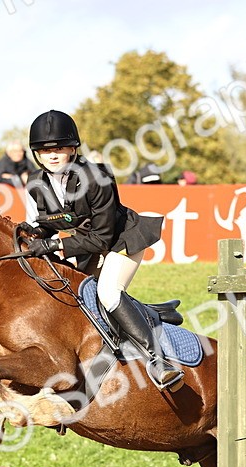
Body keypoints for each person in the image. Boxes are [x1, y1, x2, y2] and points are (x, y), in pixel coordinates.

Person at [21, 109, 181, 391]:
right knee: (75, 296)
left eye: (59, 148)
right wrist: (33, 235)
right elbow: (48, 223)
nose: (52, 155)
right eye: (45, 151)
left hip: (120, 240)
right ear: (37, 154)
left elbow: (103, 238)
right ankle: (150, 313)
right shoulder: (36, 181)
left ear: (73, 148)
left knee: (108, 293)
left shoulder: (96, 178)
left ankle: (158, 360)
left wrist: (56, 244)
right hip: (86, 243)